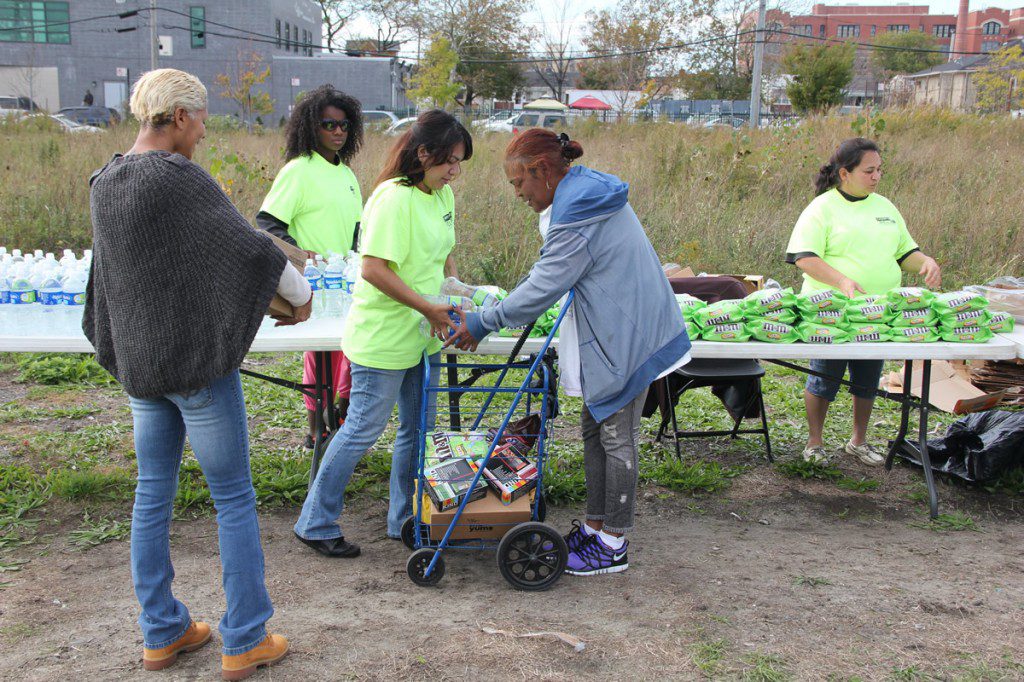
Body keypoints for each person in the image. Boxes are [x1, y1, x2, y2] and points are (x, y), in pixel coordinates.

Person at [83, 68, 304, 680]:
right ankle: (244, 638)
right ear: (179, 116)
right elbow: (251, 249)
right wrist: (301, 290)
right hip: (195, 370)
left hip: (142, 368)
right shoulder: (176, 175)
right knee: (233, 496)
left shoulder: (105, 179)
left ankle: (163, 632)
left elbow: (122, 277)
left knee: (152, 493)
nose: (204, 131)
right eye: (202, 118)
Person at [447, 130, 691, 577]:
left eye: (518, 182)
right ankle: (597, 528)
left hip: (629, 334)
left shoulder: (578, 209)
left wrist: (485, 320)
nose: (517, 193)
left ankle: (613, 543)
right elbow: (554, 271)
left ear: (541, 170)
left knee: (617, 437)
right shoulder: (580, 195)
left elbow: (546, 283)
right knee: (594, 428)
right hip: (620, 326)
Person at [293, 109, 472, 556]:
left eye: (460, 162)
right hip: (384, 334)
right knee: (361, 429)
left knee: (418, 429)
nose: (455, 170)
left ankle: (406, 519)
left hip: (424, 333)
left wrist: (456, 288)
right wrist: (427, 306)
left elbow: (443, 257)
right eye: (449, 160)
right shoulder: (393, 198)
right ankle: (314, 521)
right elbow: (373, 270)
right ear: (423, 153)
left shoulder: (442, 196)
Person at [785, 137, 941, 466]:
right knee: (824, 376)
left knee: (868, 377)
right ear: (845, 173)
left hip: (877, 312)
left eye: (879, 170)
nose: (876, 176)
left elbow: (904, 253)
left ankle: (858, 440)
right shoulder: (822, 208)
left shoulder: (885, 208)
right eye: (869, 170)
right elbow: (803, 257)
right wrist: (841, 281)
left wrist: (925, 261)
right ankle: (814, 443)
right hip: (832, 314)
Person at [256, 85, 364, 448]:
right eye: (328, 124)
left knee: (349, 353)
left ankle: (342, 426)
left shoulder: (347, 176)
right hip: (313, 283)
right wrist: (305, 258)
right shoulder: (298, 171)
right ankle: (316, 431)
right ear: (309, 126)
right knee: (319, 359)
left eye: (344, 125)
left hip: (345, 285)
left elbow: (355, 231)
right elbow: (268, 225)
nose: (337, 131)